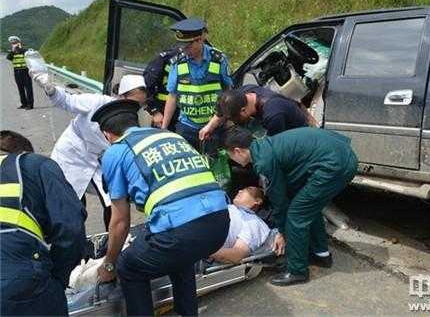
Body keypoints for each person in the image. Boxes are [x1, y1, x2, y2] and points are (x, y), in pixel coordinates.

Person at [92, 99, 230, 316]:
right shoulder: (171, 136)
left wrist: (109, 264)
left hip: (183, 233)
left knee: (128, 265)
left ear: (107, 134)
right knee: (179, 257)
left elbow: (120, 221)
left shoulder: (116, 152)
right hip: (220, 223)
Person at [224, 126, 358, 286]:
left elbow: (279, 202)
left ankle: (297, 271)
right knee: (308, 207)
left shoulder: (264, 161)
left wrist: (282, 231)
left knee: (296, 215)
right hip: (339, 156)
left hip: (334, 165)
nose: (233, 160)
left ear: (238, 151)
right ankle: (321, 255)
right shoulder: (265, 146)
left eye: (231, 156)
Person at [32, 73, 147, 229]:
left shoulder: (137, 118)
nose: (134, 108)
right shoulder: (97, 102)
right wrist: (51, 89)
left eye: (139, 105)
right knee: (73, 205)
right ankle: (76, 244)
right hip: (74, 155)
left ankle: (111, 241)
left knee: (113, 203)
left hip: (103, 160)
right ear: (121, 96)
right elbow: (66, 101)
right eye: (131, 102)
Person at [0, 130, 86, 316]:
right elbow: (71, 228)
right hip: (19, 283)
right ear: (23, 153)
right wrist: (58, 277)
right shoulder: (33, 164)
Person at [161, 18, 232, 150]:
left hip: (214, 126)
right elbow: (172, 96)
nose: (184, 50)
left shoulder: (218, 59)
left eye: (188, 46)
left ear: (200, 39)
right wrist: (164, 127)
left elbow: (229, 91)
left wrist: (224, 120)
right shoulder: (178, 61)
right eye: (181, 46)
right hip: (186, 127)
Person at [199, 85, 310, 141]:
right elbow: (222, 109)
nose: (233, 122)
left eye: (234, 119)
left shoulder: (272, 114)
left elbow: (277, 147)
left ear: (243, 111)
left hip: (297, 134)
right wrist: (209, 126)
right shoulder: (243, 92)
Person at [210, 187, 271, 264]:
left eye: (249, 190)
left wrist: (199, 250)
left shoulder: (255, 223)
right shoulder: (229, 207)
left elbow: (237, 254)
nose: (240, 191)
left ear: (258, 201)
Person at [143, 44, 182, 130]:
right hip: (163, 111)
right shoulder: (167, 58)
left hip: (187, 116)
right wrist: (155, 111)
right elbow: (148, 85)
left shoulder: (207, 56)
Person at [6, 36, 34, 110]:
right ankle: (24, 104)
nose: (13, 44)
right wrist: (13, 50)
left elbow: (26, 53)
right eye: (12, 43)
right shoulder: (13, 52)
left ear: (19, 43)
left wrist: (19, 48)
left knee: (28, 88)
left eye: (15, 43)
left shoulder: (25, 50)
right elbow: (8, 58)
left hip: (25, 71)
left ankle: (30, 105)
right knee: (20, 88)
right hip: (17, 71)